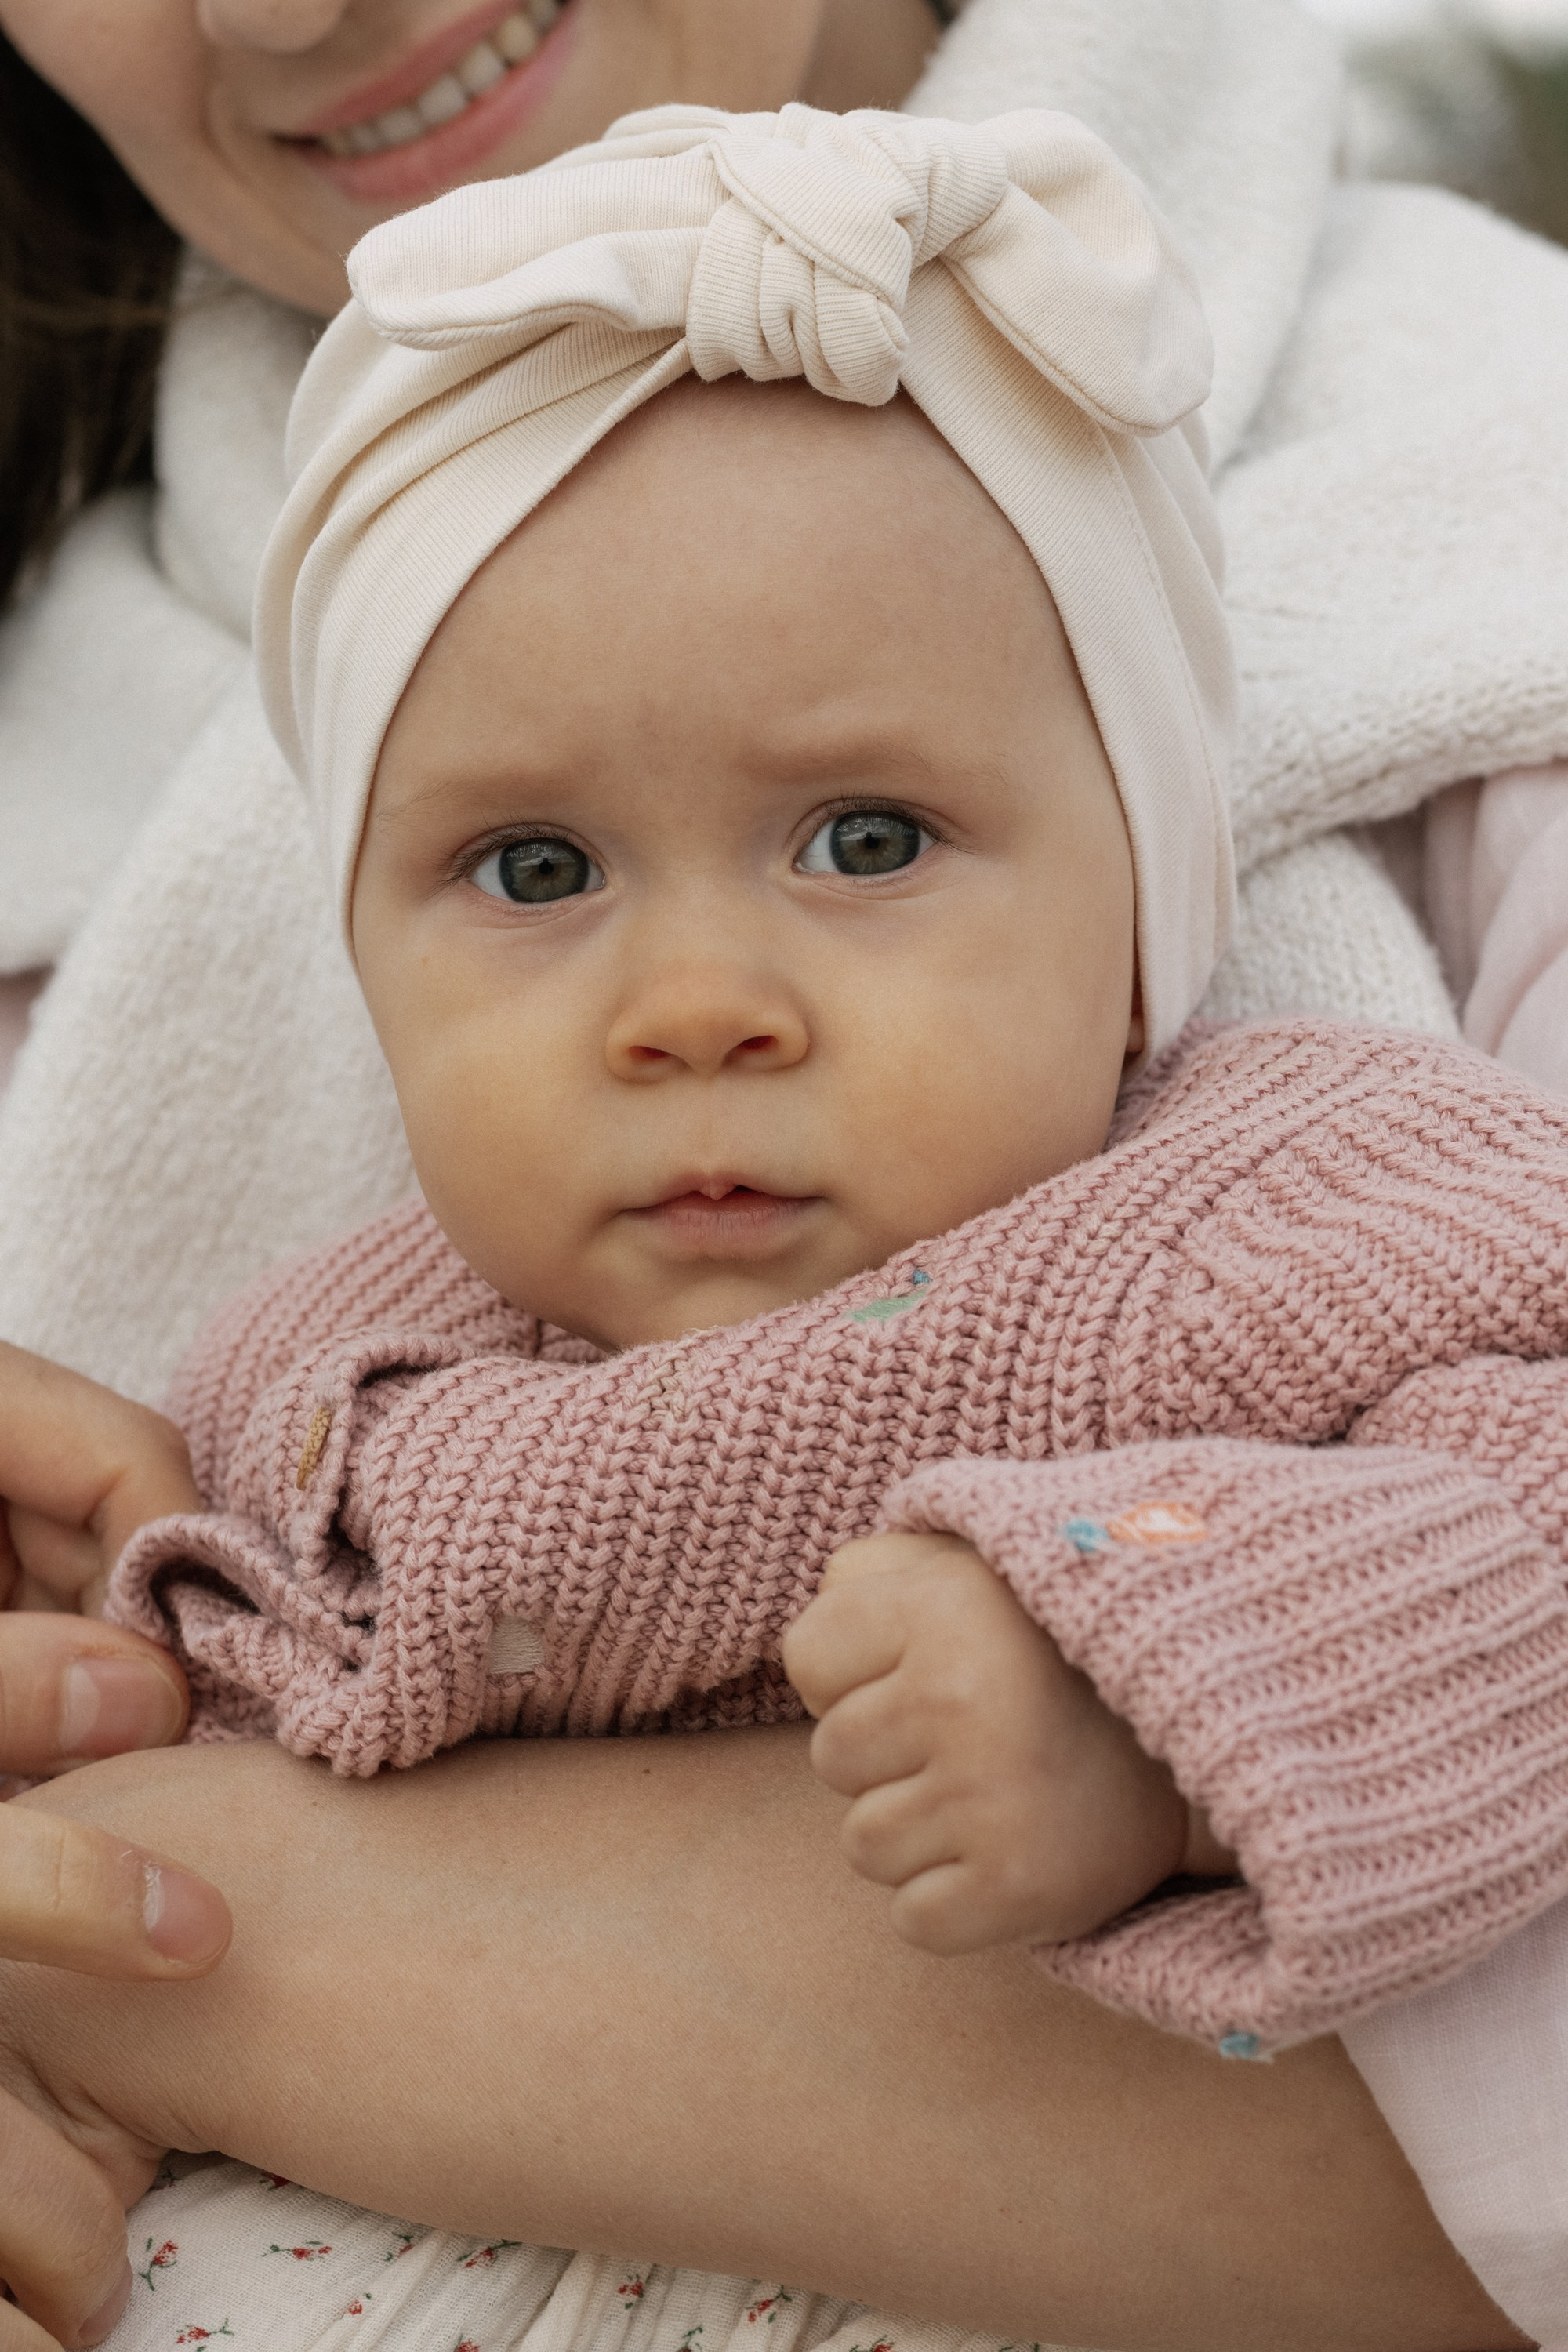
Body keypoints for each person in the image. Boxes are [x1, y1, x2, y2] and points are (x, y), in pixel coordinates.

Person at [0, 2, 1563, 2347]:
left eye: (863, 841)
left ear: (1156, 903)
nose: (692, 1004)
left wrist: (1156, 1695)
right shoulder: (325, 1353)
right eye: (532, 870)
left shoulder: (1266, 1215)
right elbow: (181, 1646)